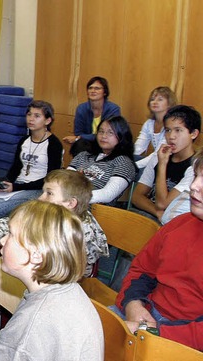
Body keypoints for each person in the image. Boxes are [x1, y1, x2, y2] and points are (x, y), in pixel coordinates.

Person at [0, 201, 104, 361]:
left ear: (37, 255)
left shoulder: (34, 322)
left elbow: (13, 346)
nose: (2, 240)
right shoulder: (61, 290)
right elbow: (3, 344)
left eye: (10, 234)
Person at [112, 149, 203, 351]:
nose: (194, 186)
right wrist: (132, 304)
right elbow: (142, 270)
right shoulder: (180, 223)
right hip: (145, 314)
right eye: (196, 176)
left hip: (183, 340)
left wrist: (155, 332)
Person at [0, 169, 108, 299]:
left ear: (70, 203)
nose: (41, 198)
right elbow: (8, 222)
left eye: (49, 193)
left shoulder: (82, 231)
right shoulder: (47, 213)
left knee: (1, 267)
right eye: (43, 192)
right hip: (38, 273)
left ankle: (0, 309)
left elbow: (72, 274)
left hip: (56, 287)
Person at [0, 100, 63, 224]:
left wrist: (15, 187)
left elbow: (50, 178)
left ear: (47, 121)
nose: (31, 119)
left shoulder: (54, 144)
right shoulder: (24, 140)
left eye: (37, 116)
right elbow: (16, 167)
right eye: (29, 114)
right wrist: (4, 183)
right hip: (19, 184)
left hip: (38, 189)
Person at [131, 105, 199, 221]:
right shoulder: (159, 156)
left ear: (193, 133)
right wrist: (156, 212)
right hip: (148, 214)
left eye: (178, 130)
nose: (171, 136)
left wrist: (162, 165)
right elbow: (136, 197)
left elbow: (163, 204)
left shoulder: (195, 167)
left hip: (168, 223)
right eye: (167, 130)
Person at [68, 116, 137, 205]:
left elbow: (107, 194)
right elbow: (64, 180)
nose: (104, 136)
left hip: (92, 209)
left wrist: (73, 198)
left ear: (122, 136)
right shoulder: (83, 155)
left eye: (110, 132)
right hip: (68, 201)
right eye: (101, 131)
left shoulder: (124, 162)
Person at [63, 76, 121, 155]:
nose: (93, 91)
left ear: (105, 92)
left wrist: (79, 138)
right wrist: (80, 138)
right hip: (88, 144)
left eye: (97, 88)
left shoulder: (113, 109)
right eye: (90, 88)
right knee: (79, 145)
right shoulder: (81, 108)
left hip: (107, 142)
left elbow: (110, 134)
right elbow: (78, 133)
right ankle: (78, 167)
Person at [134, 86, 178, 169]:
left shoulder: (171, 126)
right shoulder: (149, 123)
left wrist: (134, 166)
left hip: (169, 163)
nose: (155, 102)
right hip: (156, 161)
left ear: (169, 104)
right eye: (152, 99)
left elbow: (157, 155)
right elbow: (138, 147)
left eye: (160, 99)